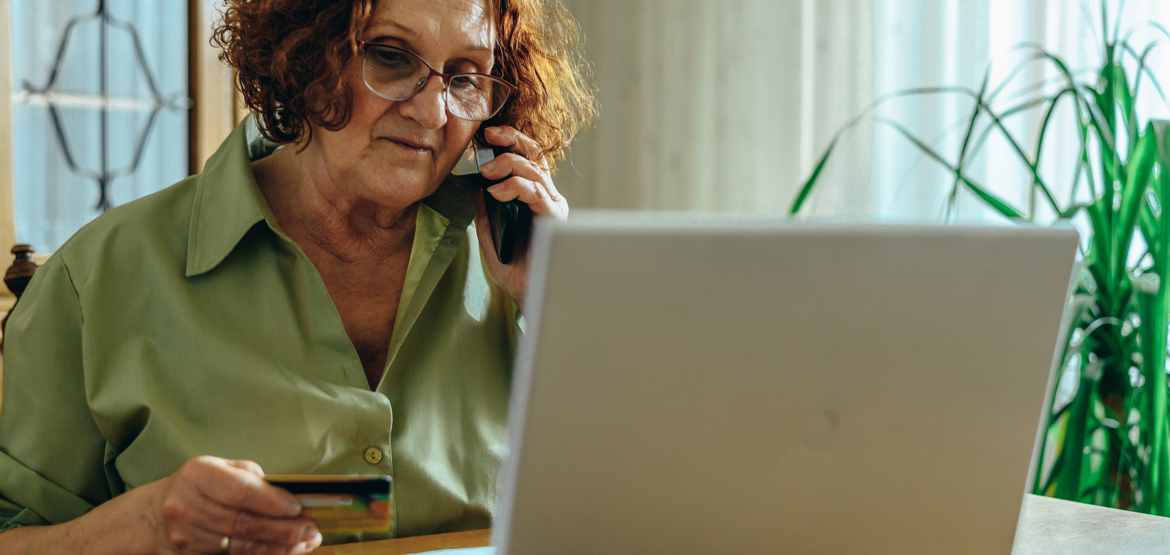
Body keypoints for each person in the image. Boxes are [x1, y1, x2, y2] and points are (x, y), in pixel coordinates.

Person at [0, 0, 595, 552]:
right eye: (391, 57)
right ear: (304, 52)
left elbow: (639, 507)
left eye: (465, 77)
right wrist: (147, 525)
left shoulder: (525, 265)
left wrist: (565, 305)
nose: (433, 110)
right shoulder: (99, 279)